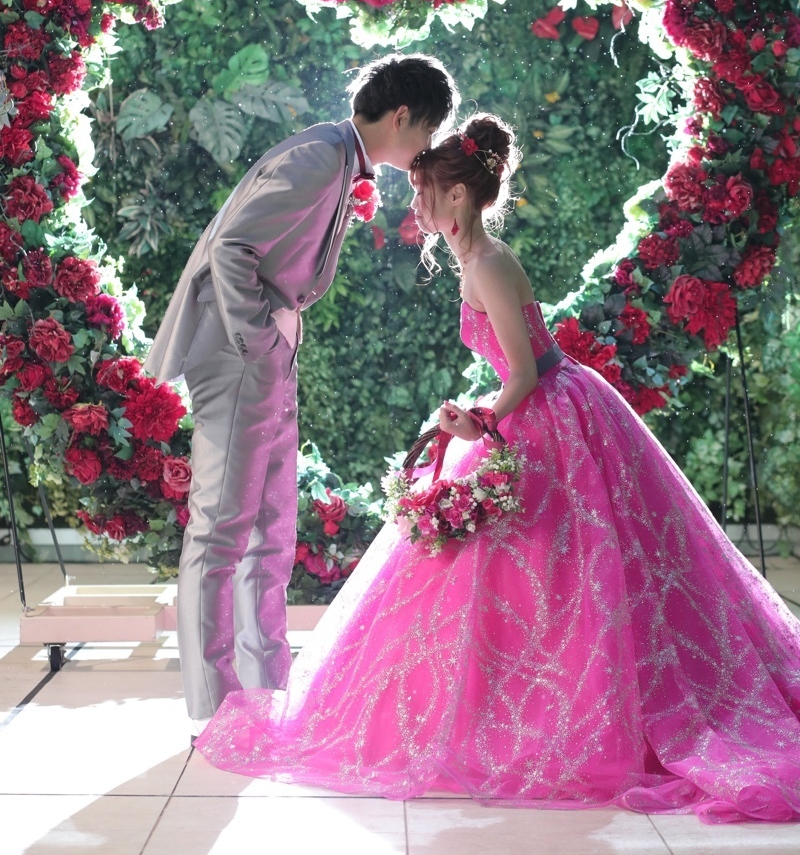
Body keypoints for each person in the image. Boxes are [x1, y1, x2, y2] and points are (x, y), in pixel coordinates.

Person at [194, 113, 800, 823]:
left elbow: (526, 370)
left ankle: (549, 711)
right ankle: (499, 704)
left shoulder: (487, 263)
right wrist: (478, 418)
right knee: (523, 567)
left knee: (561, 565)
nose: (416, 205)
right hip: (539, 410)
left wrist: (478, 422)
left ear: (457, 195)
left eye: (423, 192)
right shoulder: (475, 258)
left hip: (549, 413)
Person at [143, 53, 459, 734]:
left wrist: (275, 345)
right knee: (222, 531)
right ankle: (216, 708)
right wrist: (260, 344)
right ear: (403, 116)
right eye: (429, 131)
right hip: (241, 354)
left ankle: (265, 690)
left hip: (267, 351)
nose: (427, 146)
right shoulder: (319, 158)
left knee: (270, 529)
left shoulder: (335, 156)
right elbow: (231, 250)